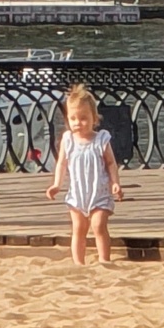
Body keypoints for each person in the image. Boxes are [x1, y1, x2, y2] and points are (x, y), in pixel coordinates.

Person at [45, 82, 122, 267]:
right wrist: (57, 184)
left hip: (100, 193)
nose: (78, 123)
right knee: (78, 228)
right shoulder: (68, 140)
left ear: (94, 118)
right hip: (77, 194)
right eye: (73, 119)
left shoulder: (101, 139)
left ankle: (104, 259)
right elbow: (62, 163)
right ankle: (78, 262)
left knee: (98, 226)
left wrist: (115, 183)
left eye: (83, 118)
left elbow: (111, 163)